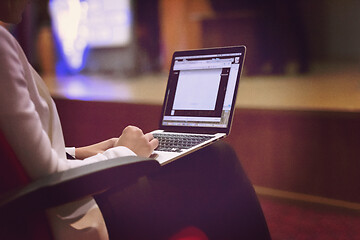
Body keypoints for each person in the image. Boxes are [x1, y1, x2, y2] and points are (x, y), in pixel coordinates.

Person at [0, 1, 271, 239]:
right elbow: (51, 178)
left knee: (205, 158)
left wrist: (82, 152)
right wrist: (125, 153)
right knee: (218, 159)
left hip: (53, 202)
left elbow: (19, 151)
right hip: (71, 214)